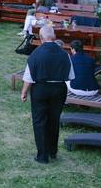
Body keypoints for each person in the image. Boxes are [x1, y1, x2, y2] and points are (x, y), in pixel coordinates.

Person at [20, 25, 75, 163]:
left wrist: (24, 92)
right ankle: (52, 151)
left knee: (39, 121)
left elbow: (28, 77)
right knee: (54, 120)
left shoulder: (35, 54)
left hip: (41, 89)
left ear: (41, 38)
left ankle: (42, 156)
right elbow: (70, 76)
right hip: (59, 89)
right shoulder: (64, 54)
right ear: (54, 37)